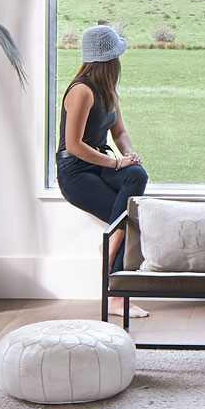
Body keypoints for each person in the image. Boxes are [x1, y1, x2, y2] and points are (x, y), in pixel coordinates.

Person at [55, 24, 148, 281]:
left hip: (99, 164)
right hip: (75, 173)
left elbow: (119, 133)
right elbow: (73, 145)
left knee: (137, 174)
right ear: (109, 61)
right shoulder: (81, 91)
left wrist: (129, 155)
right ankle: (115, 288)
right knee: (130, 219)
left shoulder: (108, 91)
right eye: (117, 57)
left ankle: (110, 243)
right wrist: (116, 163)